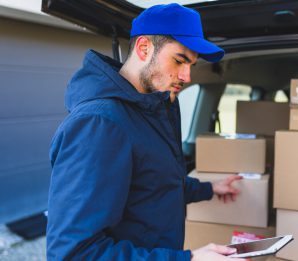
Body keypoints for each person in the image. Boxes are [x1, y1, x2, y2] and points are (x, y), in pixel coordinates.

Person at [46, 3, 247, 260]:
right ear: (143, 48)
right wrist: (189, 259)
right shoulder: (99, 124)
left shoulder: (153, 110)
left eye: (191, 66)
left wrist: (209, 188)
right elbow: (74, 253)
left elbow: (155, 183)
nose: (187, 76)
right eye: (179, 60)